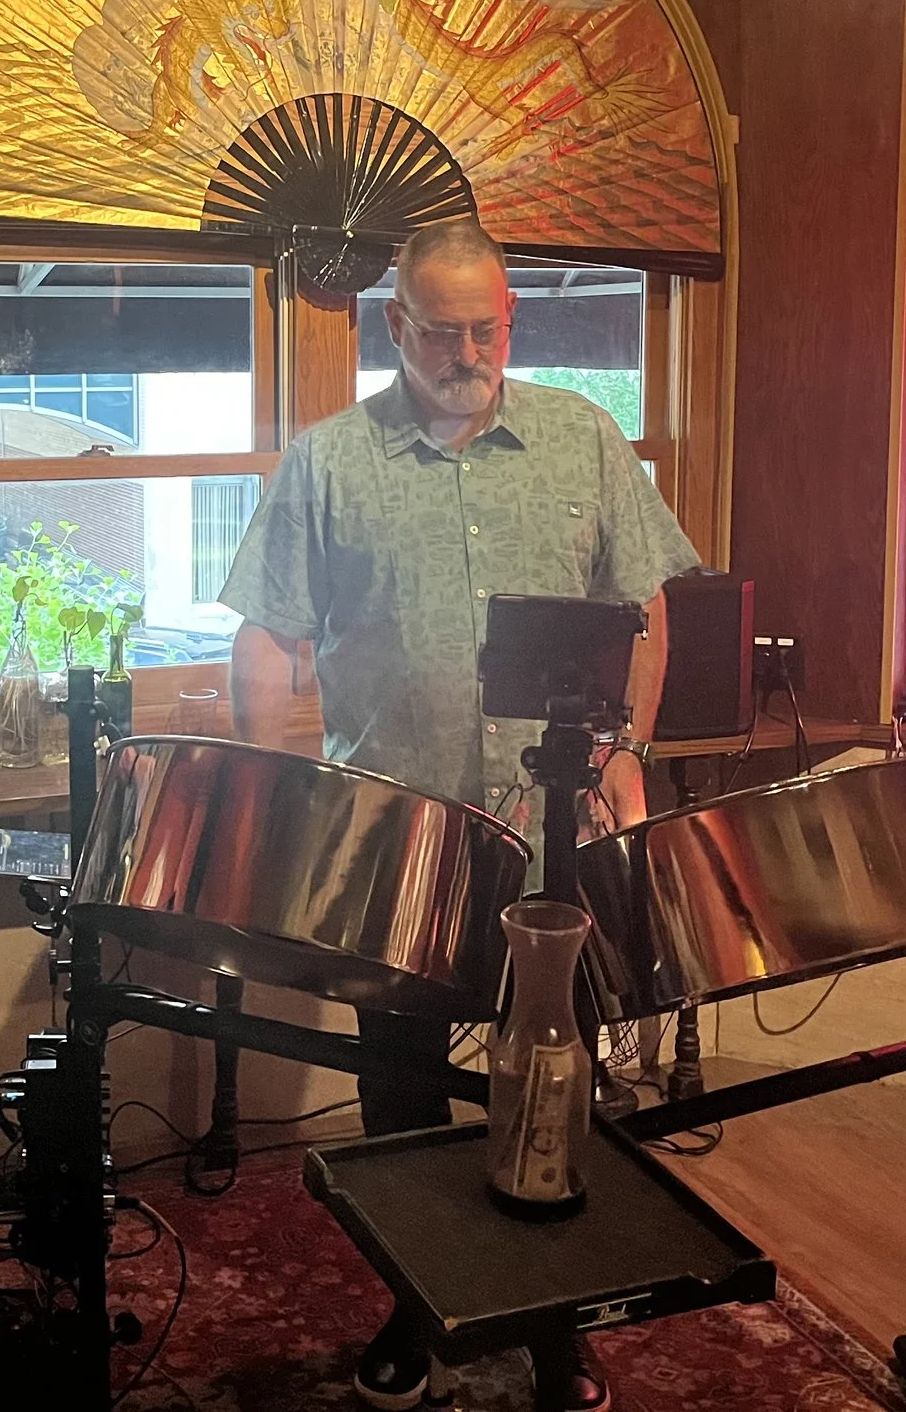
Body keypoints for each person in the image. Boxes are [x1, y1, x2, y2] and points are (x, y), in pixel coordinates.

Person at [221, 217, 698, 1412]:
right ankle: (416, 1300)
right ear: (395, 326)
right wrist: (272, 790)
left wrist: (630, 754)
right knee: (401, 1096)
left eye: (486, 329)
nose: (467, 353)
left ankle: (553, 1323)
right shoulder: (328, 462)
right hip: (398, 837)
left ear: (510, 319)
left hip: (555, 836)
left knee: (554, 1083)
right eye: (442, 332)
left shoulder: (585, 438)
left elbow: (642, 610)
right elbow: (268, 635)